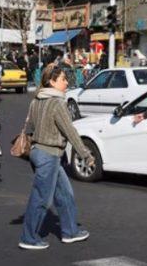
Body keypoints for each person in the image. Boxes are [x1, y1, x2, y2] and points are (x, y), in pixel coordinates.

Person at [19, 64, 93, 250]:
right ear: (52, 81)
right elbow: (70, 132)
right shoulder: (58, 103)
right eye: (62, 79)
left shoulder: (36, 100)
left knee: (65, 194)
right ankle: (28, 238)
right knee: (41, 198)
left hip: (39, 153)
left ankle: (70, 231)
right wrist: (85, 154)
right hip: (48, 155)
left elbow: (30, 128)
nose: (66, 82)